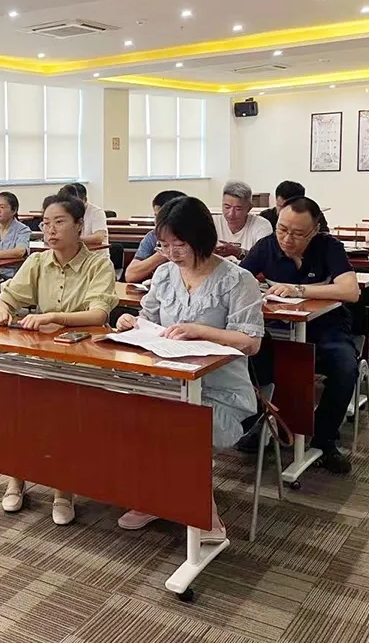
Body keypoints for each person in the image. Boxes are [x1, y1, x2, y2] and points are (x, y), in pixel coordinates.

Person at [114, 196, 263, 542]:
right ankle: (156, 496)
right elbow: (149, 321)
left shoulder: (237, 280)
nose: (170, 253)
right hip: (168, 384)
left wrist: (201, 331)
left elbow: (251, 342)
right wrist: (131, 323)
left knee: (177, 424)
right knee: (126, 414)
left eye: (178, 245)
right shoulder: (165, 274)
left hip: (222, 394)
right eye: (163, 245)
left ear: (200, 237)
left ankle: (203, 514)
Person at [0, 194, 119, 525]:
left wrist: (56, 317)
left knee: (64, 419)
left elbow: (99, 314)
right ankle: (16, 479)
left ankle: (64, 489)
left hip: (83, 359)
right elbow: (6, 298)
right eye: (46, 224)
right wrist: (0, 309)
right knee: (19, 411)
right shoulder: (37, 262)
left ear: (79, 225)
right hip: (42, 355)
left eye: (59, 222)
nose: (50, 230)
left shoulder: (98, 264)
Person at [240, 196, 360, 474]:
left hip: (326, 328)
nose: (287, 239)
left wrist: (299, 290)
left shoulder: (329, 247)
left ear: (314, 231)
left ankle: (325, 439)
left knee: (345, 368)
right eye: (282, 229)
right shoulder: (266, 246)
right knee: (247, 359)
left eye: (297, 234)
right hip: (277, 329)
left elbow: (350, 291)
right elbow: (235, 281)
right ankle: (262, 424)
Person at [124, 189, 186, 283]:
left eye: (162, 216)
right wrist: (163, 253)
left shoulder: (193, 238)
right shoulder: (152, 237)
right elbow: (131, 275)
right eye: (156, 216)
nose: (157, 221)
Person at [213, 180, 272, 259]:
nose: (231, 214)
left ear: (249, 208)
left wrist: (238, 252)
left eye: (238, 209)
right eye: (227, 207)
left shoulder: (261, 225)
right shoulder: (213, 223)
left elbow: (265, 258)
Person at [59, 183, 109, 258]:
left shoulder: (96, 212)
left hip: (95, 257)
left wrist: (74, 239)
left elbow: (98, 237)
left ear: (85, 200)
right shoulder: (67, 212)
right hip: (73, 256)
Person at [259, 181, 329, 233]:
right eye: (280, 206)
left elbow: (325, 238)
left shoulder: (313, 216)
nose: (283, 211)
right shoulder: (265, 217)